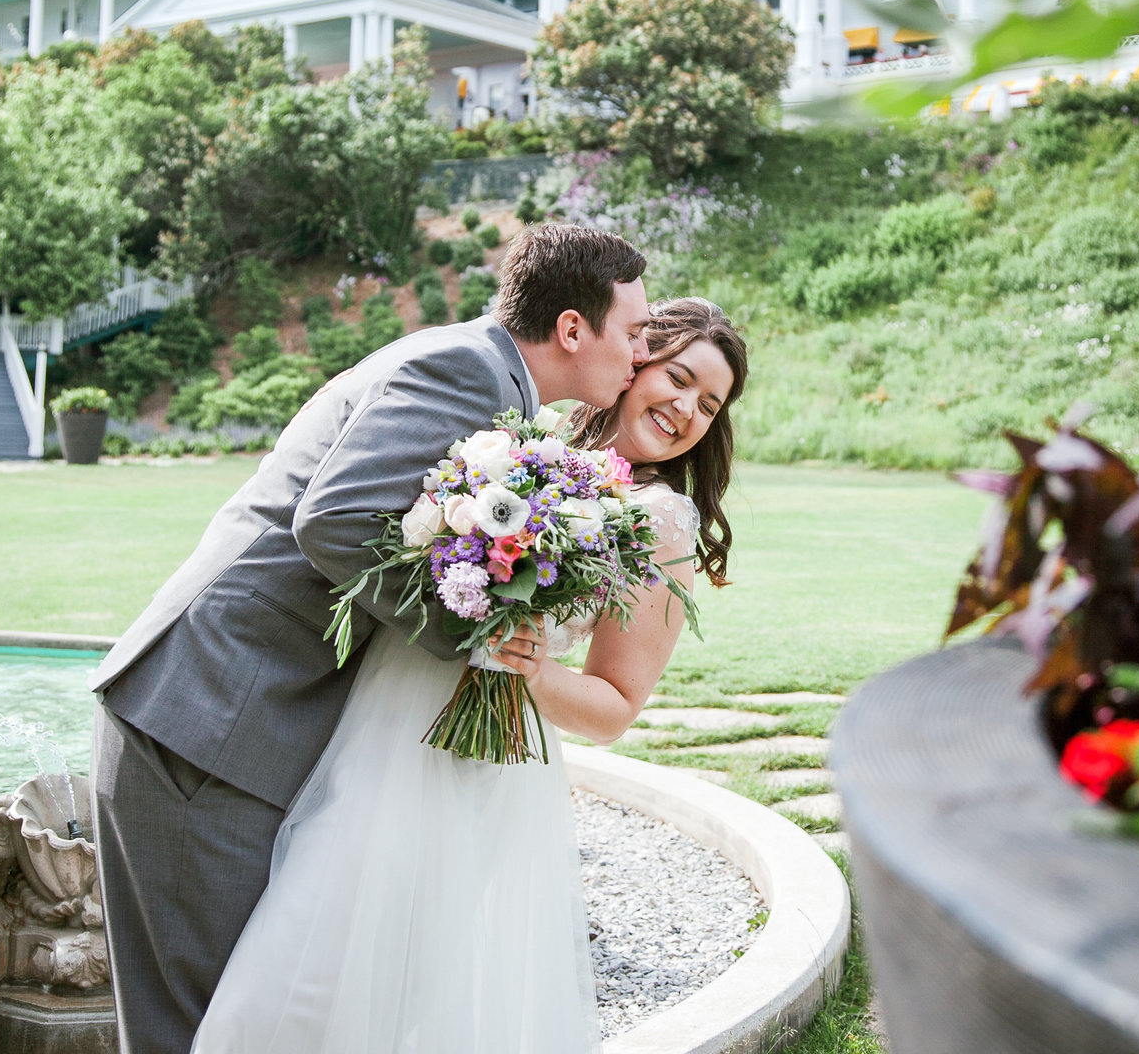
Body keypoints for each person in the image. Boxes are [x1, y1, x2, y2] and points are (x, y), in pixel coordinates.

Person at [89, 222, 652, 1054]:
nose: (641, 353)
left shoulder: (486, 375)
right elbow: (335, 520)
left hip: (234, 720)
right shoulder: (463, 370)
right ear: (573, 328)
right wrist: (478, 637)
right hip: (208, 717)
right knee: (198, 1029)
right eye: (635, 332)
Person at [189, 296, 748, 1054]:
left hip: (468, 766)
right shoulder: (522, 439)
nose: (685, 409)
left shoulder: (662, 522)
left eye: (708, 404)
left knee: (353, 982)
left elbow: (615, 707)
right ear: (634, 361)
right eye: (677, 378)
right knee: (291, 950)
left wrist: (530, 668)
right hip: (365, 724)